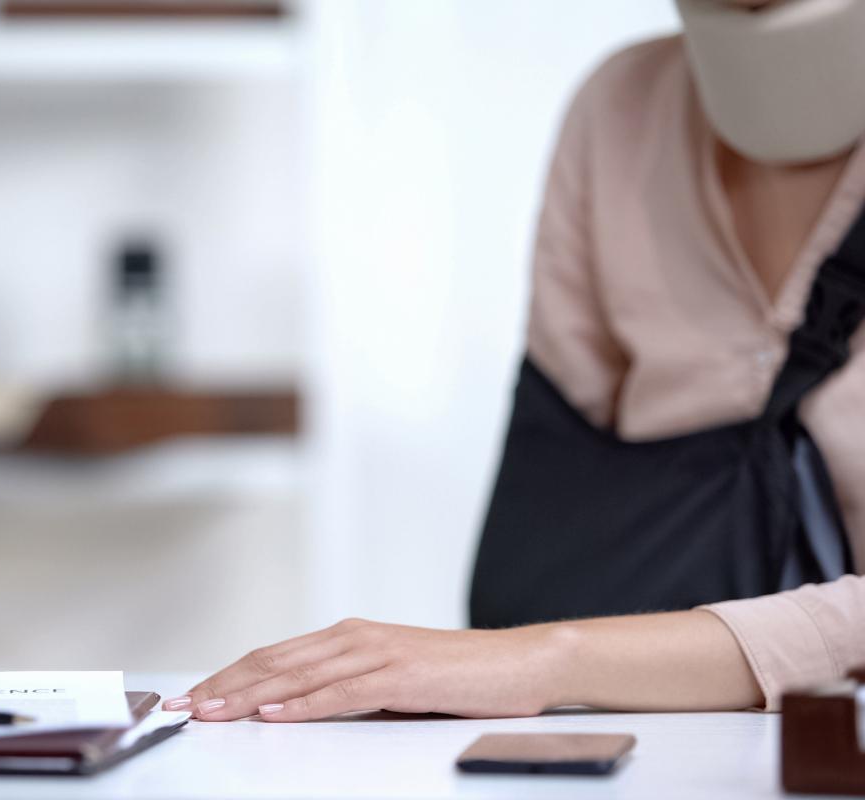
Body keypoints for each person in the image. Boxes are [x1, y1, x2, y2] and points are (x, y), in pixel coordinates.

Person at [163, 0, 865, 723]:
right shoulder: (620, 109)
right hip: (655, 736)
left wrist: (549, 659)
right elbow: (558, 492)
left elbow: (536, 639)